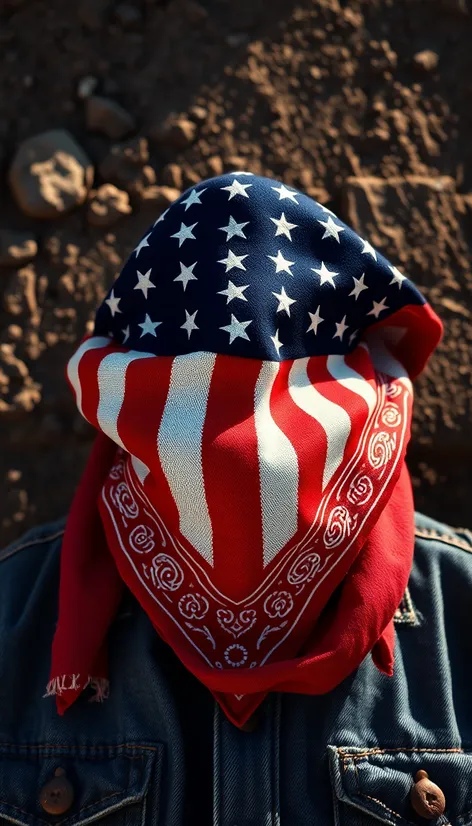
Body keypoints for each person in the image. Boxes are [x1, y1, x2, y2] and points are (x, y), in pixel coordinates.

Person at [1, 172, 471, 826]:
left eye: (270, 407)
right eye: (190, 406)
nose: (239, 446)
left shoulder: (461, 605)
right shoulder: (13, 614)